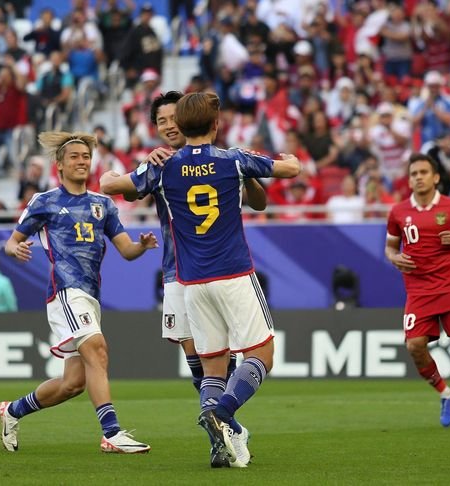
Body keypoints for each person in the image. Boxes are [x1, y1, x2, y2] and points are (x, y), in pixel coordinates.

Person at [107, 92, 300, 467]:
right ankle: (223, 413)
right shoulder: (233, 159)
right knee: (261, 353)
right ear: (216, 125)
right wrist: (287, 160)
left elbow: (112, 185)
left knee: (211, 365)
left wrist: (135, 169)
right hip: (232, 272)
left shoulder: (162, 168)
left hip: (191, 280)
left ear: (181, 123)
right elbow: (290, 170)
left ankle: (220, 432)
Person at [0, 131, 157, 454]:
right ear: (59, 165)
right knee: (97, 349)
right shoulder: (46, 202)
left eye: (86, 156)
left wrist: (140, 246)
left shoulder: (103, 205)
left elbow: (125, 250)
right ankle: (111, 432)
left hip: (90, 296)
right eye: (75, 157)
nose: (82, 161)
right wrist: (17, 249)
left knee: (73, 384)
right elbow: (12, 240)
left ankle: (12, 411)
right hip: (65, 292)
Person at [385, 152, 450, 430]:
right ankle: (446, 393)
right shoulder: (398, 212)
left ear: (436, 177)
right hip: (418, 291)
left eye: (423, 172)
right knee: (414, 346)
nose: (418, 177)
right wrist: (394, 259)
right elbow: (390, 248)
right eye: (413, 174)